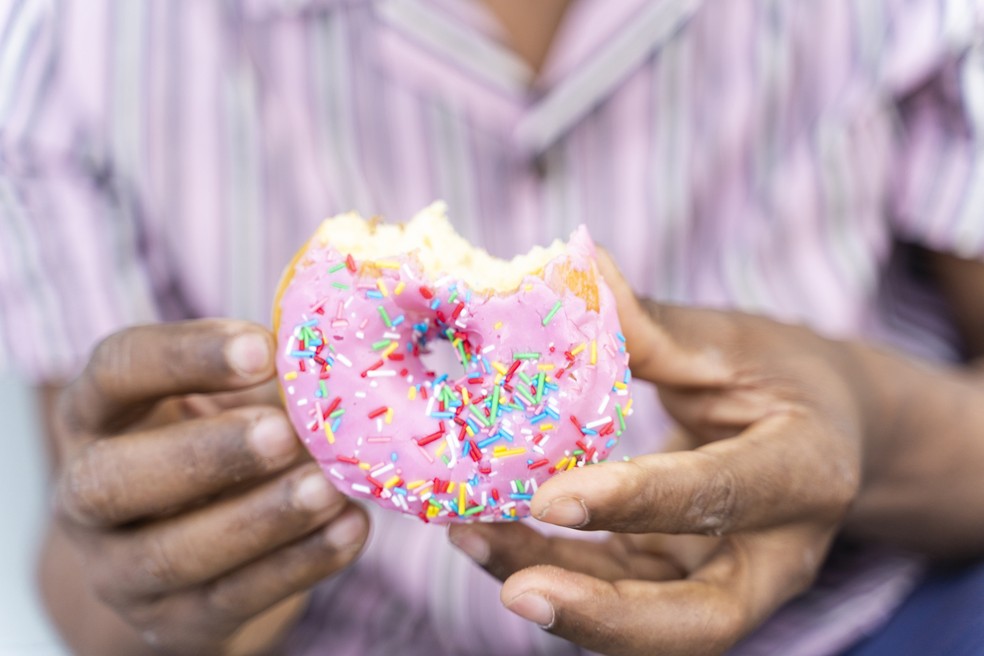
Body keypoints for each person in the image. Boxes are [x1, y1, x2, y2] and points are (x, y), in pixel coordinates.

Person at [1, 1, 983, 654]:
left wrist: (873, 425)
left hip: (867, 619)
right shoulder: (76, 46)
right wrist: (163, 586)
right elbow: (91, 554)